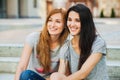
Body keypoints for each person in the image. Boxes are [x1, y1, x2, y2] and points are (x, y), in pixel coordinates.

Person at [50, 3, 109, 80]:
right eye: (69, 20)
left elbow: (83, 73)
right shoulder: (66, 47)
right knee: (55, 76)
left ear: (86, 23)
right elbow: (61, 73)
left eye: (77, 20)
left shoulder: (98, 43)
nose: (72, 24)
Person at [14, 8, 69, 80]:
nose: (52, 25)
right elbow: (22, 67)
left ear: (65, 25)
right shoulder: (34, 38)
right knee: (25, 74)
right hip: (31, 77)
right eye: (50, 20)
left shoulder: (66, 45)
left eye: (58, 22)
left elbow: (61, 74)